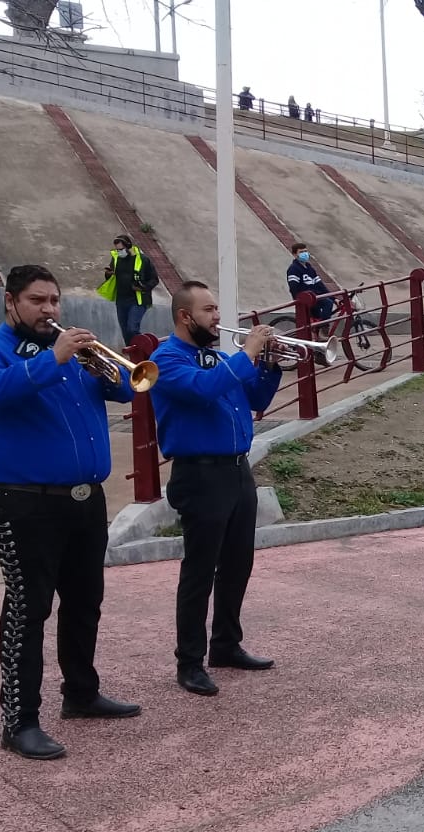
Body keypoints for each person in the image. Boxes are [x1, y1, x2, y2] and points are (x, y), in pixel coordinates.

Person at [0, 264, 141, 761]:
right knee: (28, 612)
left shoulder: (71, 354)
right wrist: (54, 359)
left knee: (85, 602)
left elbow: (129, 389)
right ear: (11, 302)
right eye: (38, 301)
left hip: (86, 502)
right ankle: (18, 722)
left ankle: (81, 695)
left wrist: (109, 366)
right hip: (23, 506)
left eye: (55, 301)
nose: (49, 310)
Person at [150, 281, 283, 695]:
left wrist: (272, 364)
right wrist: (247, 354)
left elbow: (256, 396)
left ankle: (226, 644)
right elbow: (203, 390)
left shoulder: (217, 356)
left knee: (238, 564)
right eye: (209, 310)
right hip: (199, 473)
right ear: (184, 316)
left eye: (217, 309)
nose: (218, 317)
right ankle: (189, 661)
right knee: (199, 571)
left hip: (237, 470)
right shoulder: (166, 359)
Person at [101, 234, 159, 345]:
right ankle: (132, 353)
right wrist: (108, 274)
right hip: (121, 300)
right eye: (117, 250)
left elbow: (154, 279)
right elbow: (110, 276)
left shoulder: (142, 259)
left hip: (138, 300)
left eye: (121, 249)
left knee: (132, 328)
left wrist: (143, 287)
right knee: (125, 331)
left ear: (128, 247)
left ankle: (145, 348)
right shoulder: (116, 259)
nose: (119, 252)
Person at [286, 241, 336, 340]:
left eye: (306, 251)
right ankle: (323, 329)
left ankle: (318, 346)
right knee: (328, 304)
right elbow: (293, 287)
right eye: (301, 252)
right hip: (307, 299)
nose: (305, 254)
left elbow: (320, 285)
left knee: (321, 314)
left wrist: (334, 298)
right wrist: (299, 300)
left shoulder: (310, 269)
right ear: (295, 254)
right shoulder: (293, 269)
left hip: (315, 297)